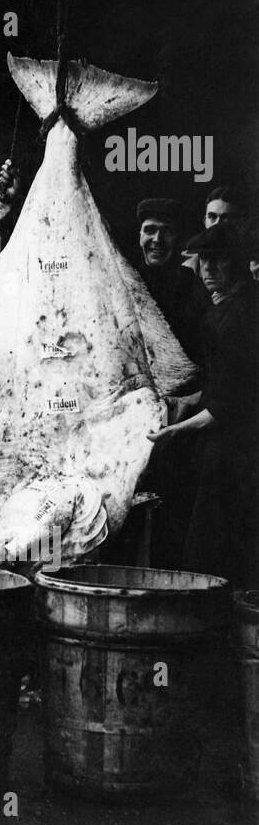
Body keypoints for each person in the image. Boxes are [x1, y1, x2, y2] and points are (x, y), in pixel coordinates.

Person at [148, 225, 257, 588]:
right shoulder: (220, 310)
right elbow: (214, 386)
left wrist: (175, 430)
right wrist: (180, 403)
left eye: (219, 260)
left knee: (218, 545)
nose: (208, 269)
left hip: (235, 448)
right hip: (218, 441)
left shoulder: (243, 318)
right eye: (204, 260)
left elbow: (226, 406)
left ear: (239, 263)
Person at [134, 197, 207, 362]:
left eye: (167, 231)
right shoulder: (126, 279)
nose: (157, 240)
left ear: (178, 239)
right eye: (150, 230)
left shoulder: (192, 286)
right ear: (140, 237)